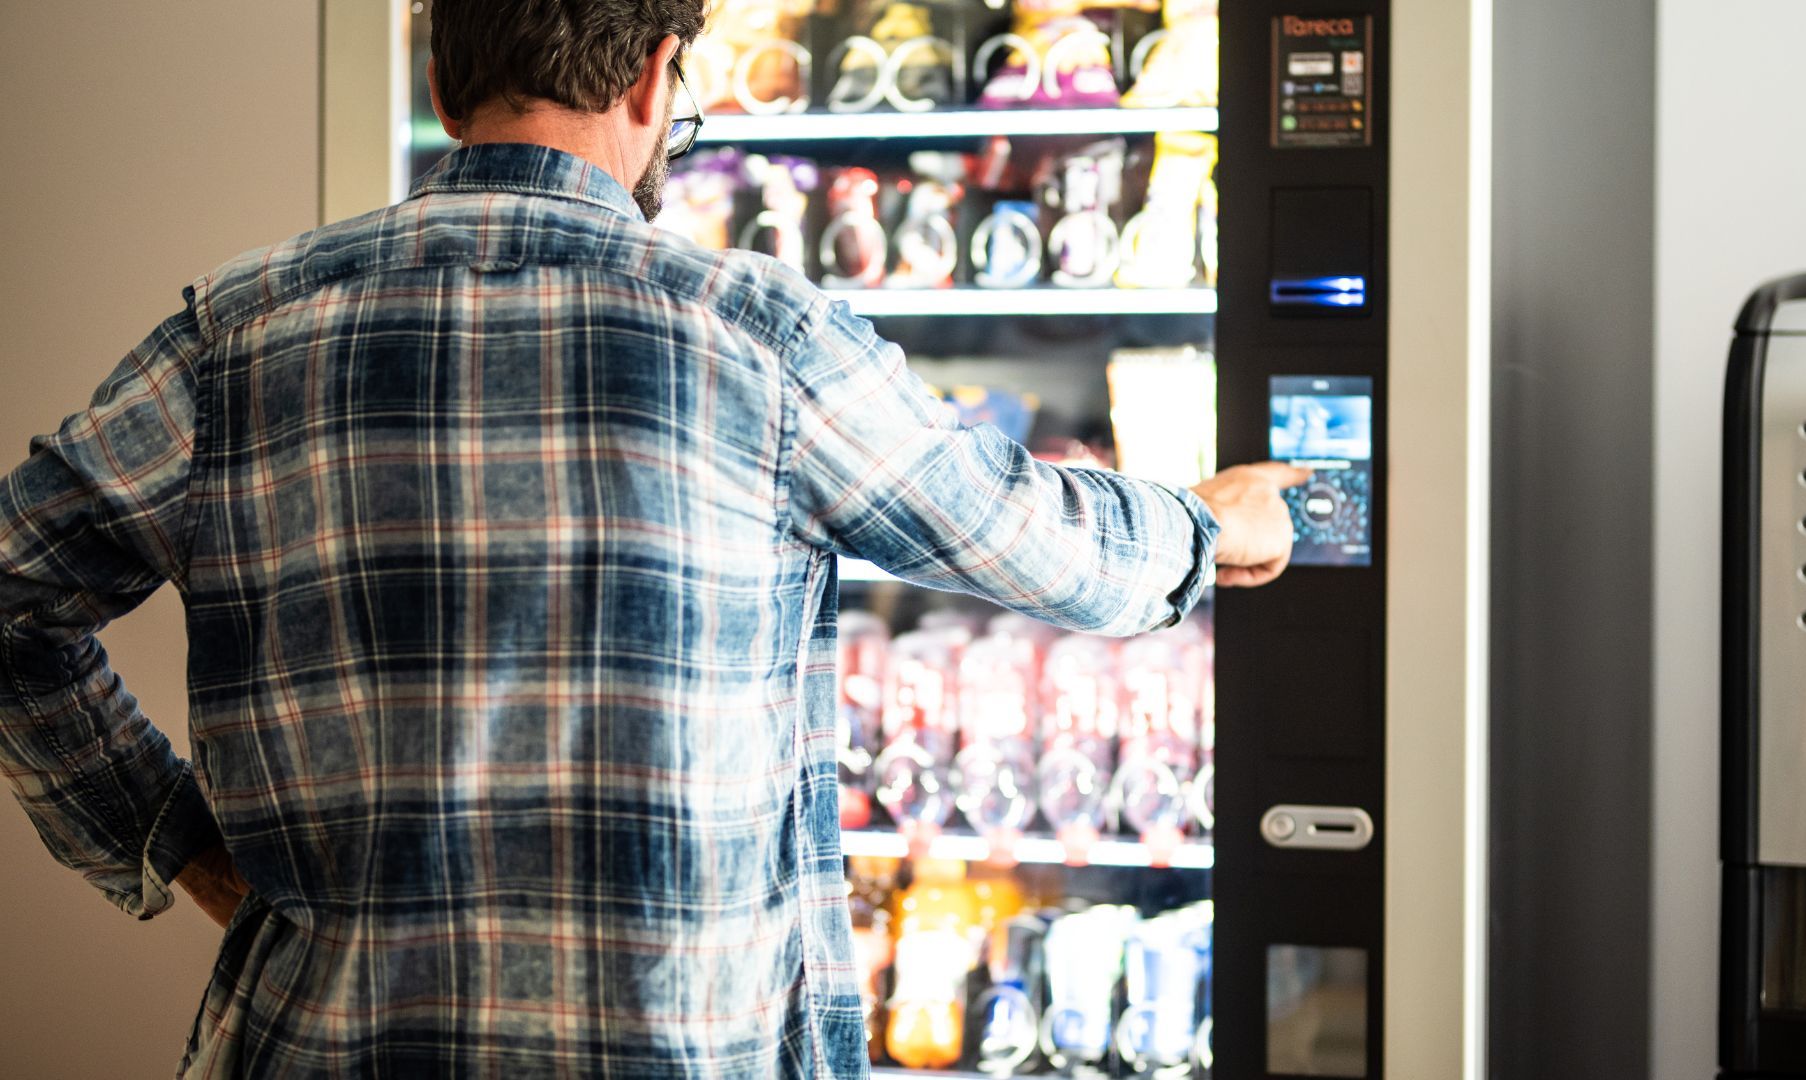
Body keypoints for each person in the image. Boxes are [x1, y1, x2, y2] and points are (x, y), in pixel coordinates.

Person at [0, 1, 1301, 1075]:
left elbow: (13, 595)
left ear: (444, 87)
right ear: (657, 75)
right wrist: (1206, 526)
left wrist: (172, 837)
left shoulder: (239, 339)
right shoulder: (757, 340)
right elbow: (1035, 539)